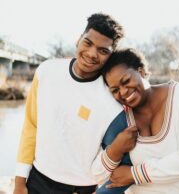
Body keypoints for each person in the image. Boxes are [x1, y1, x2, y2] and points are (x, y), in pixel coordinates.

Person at [13, 13, 131, 194]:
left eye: (103, 50)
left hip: (81, 189)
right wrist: (19, 181)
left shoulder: (112, 99)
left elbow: (117, 160)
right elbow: (31, 126)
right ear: (78, 39)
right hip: (37, 181)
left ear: (111, 56)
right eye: (88, 43)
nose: (92, 54)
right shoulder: (46, 72)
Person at [92, 48, 179, 194]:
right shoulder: (121, 119)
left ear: (141, 72)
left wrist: (134, 174)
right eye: (115, 90)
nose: (123, 92)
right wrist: (116, 149)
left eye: (126, 81)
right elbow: (98, 175)